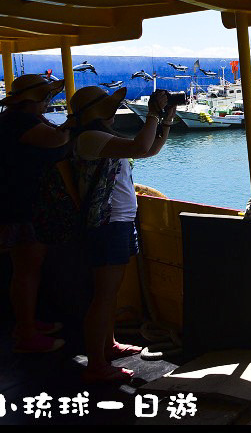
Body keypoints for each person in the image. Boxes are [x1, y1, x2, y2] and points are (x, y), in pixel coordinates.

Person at [69, 86, 177, 383]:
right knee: (103, 296)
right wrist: (153, 113)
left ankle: (109, 345)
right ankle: (96, 365)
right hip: (106, 223)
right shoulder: (89, 138)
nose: (114, 110)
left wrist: (165, 121)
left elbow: (149, 149)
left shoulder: (103, 139)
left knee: (110, 292)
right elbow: (142, 147)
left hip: (117, 220)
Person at [0, 74, 71, 353]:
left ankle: (27, 322)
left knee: (26, 269)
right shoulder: (18, 122)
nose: (48, 102)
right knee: (26, 270)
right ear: (35, 99)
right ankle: (27, 333)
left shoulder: (9, 121)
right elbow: (58, 141)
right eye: (46, 97)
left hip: (16, 203)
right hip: (21, 206)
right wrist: (76, 120)